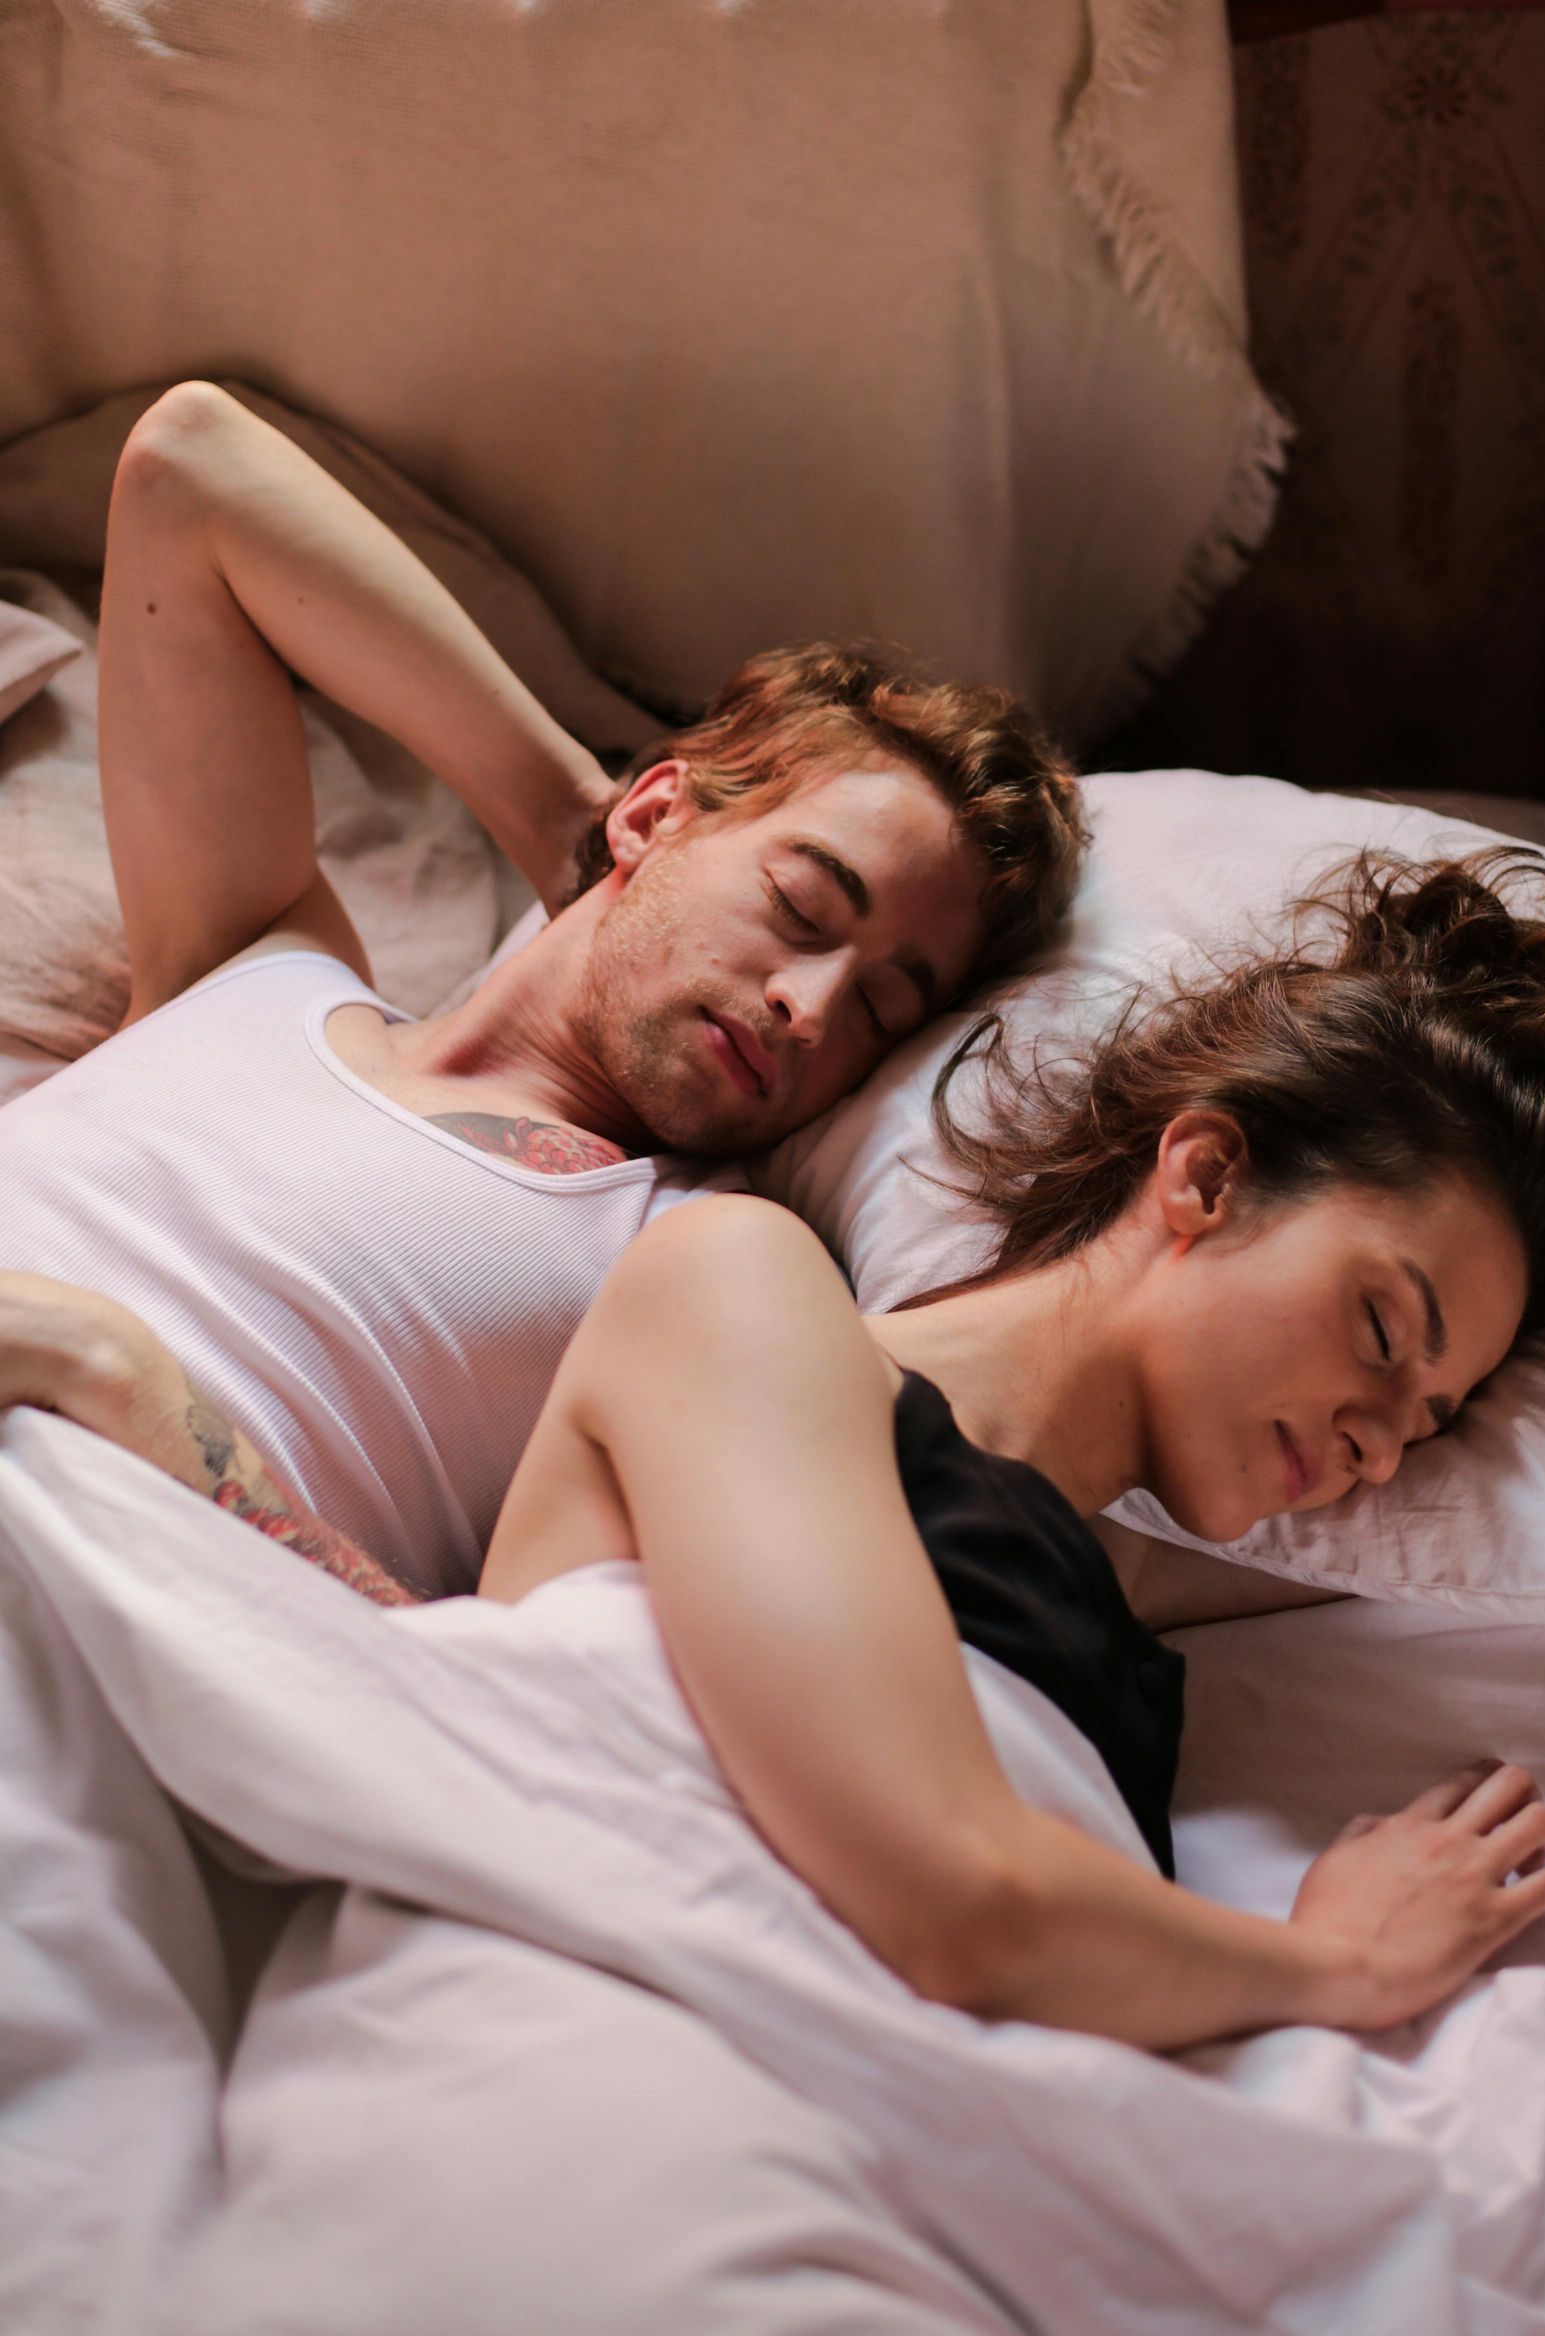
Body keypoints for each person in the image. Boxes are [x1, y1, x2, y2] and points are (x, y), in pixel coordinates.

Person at [0, 851, 1545, 2046]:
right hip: (628, 2035)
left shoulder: (1140, 1568)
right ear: (1208, 1174)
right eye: (1385, 1339)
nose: (1393, 1452)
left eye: (1436, 1422)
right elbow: (936, 1891)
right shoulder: (743, 1298)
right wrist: (1327, 1959)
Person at [0, 380, 1085, 1598]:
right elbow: (186, 464)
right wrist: (559, 810)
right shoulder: (256, 962)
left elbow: (503, 1691)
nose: (816, 1008)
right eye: (804, 907)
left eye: (885, 1008)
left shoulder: (691, 1268)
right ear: (657, 810)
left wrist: (110, 1377)